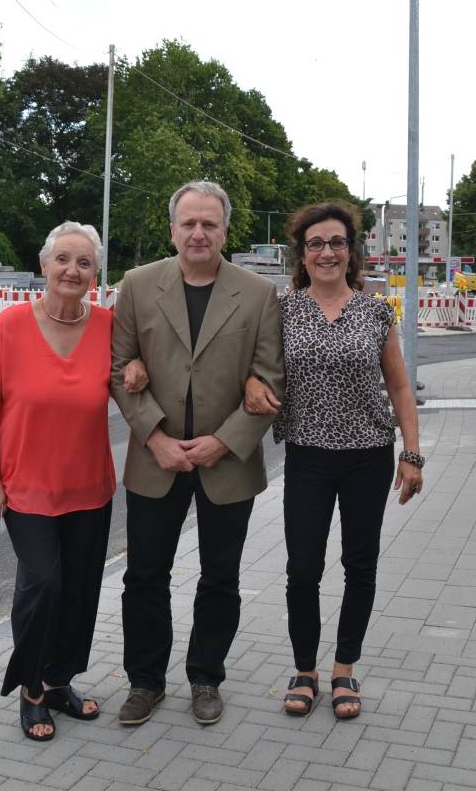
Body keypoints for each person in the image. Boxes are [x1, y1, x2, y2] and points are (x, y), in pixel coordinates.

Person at [110, 180, 284, 727]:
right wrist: (156, 439)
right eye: (189, 223)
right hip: (155, 459)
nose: (198, 233)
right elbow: (118, 369)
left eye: (209, 223)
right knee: (144, 577)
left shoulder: (258, 294)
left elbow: (270, 379)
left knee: (220, 578)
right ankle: (145, 681)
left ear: (225, 231)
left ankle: (206, 677)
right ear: (172, 230)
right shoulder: (138, 286)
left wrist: (223, 441)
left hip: (227, 462)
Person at [244, 201, 424, 721]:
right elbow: (254, 367)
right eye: (316, 244)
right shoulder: (281, 310)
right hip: (307, 455)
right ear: (302, 254)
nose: (327, 252)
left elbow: (399, 387)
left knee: (359, 565)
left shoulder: (375, 312)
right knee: (302, 568)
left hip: (369, 456)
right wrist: (251, 381)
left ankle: (345, 668)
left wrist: (411, 454)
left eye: (337, 243)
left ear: (351, 251)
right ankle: (305, 670)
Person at [0, 221, 147, 741]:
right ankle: (31, 690)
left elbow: (131, 372)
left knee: (79, 591)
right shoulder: (11, 326)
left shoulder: (108, 327)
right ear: (44, 265)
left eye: (84, 263)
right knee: (42, 584)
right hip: (26, 487)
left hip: (89, 487)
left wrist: (136, 365)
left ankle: (58, 681)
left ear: (96, 274)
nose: (73, 270)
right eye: (64, 259)